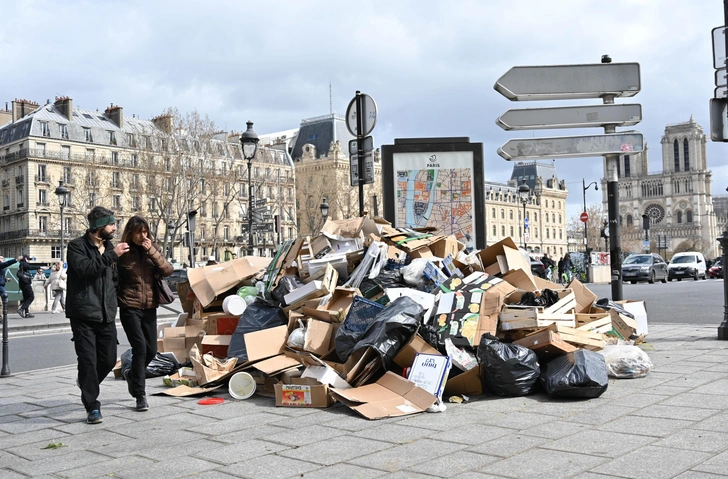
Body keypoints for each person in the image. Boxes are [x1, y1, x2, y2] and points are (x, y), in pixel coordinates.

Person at [66, 206, 130, 424]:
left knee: (109, 359)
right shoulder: (77, 246)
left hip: (106, 315)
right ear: (99, 227)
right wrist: (112, 255)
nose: (114, 228)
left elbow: (114, 280)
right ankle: (92, 406)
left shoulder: (111, 248)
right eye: (111, 224)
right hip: (83, 314)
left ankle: (86, 383)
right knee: (87, 360)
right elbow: (86, 269)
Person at [117, 215, 173, 412]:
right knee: (140, 347)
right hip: (129, 307)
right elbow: (112, 278)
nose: (142, 236)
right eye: (138, 232)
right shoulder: (122, 251)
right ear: (130, 233)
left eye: (145, 232)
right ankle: (140, 395)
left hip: (150, 307)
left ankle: (133, 374)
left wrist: (151, 251)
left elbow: (168, 270)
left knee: (150, 350)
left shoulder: (152, 248)